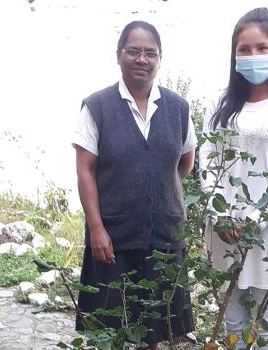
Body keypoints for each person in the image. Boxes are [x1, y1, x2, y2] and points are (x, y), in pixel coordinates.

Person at [72, 20, 196, 350]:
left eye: (149, 53)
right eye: (133, 51)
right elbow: (85, 171)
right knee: (109, 327)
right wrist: (96, 228)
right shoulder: (97, 107)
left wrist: (153, 189)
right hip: (112, 237)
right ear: (119, 55)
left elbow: (185, 162)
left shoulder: (178, 108)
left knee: (153, 330)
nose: (141, 59)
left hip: (163, 236)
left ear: (159, 58)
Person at [198, 7, 268, 349]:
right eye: (244, 49)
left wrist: (256, 220)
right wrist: (220, 214)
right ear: (234, 54)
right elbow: (206, 159)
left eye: (262, 48)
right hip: (224, 229)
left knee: (265, 320)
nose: (252, 55)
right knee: (232, 319)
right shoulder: (221, 103)